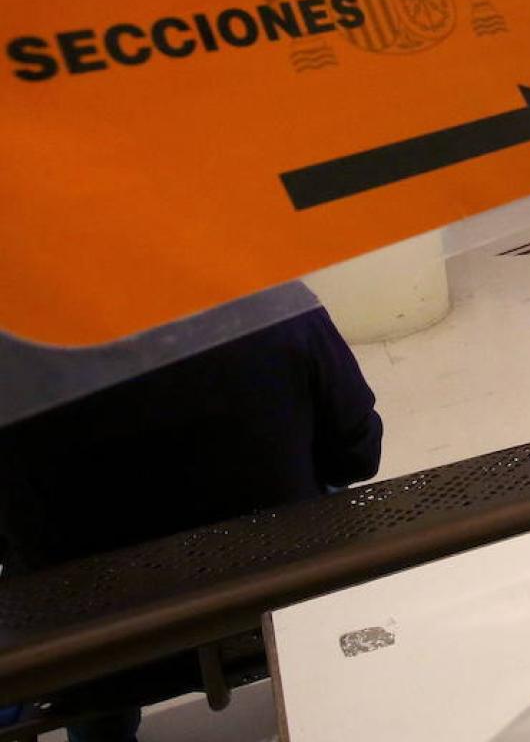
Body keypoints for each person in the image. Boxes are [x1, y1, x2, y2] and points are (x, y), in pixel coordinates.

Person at [0, 305, 383, 741]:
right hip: (267, 592)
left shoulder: (10, 362)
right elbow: (357, 454)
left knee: (48, 571)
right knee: (324, 496)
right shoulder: (276, 306)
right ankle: (320, 696)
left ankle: (103, 728)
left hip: (95, 652)